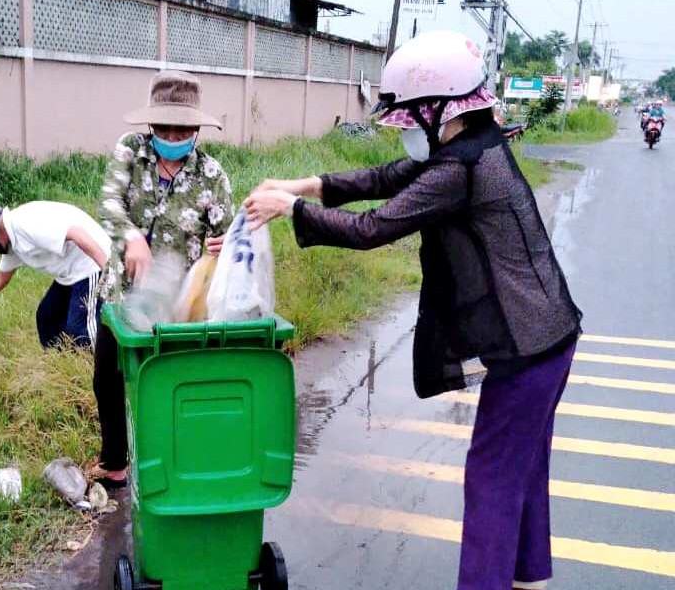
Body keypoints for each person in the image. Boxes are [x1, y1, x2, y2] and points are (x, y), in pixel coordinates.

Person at [245, 30, 582, 590]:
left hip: (528, 347)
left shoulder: (456, 171)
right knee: (523, 468)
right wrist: (300, 184)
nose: (404, 130)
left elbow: (374, 227)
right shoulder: (473, 147)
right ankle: (529, 576)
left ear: (438, 110)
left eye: (409, 116)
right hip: (549, 335)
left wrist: (293, 210)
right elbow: (381, 179)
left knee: (492, 478)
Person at [90, 70, 235, 488]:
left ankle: (171, 461)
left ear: (196, 129)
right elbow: (108, 203)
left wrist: (221, 247)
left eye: (182, 128)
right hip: (121, 290)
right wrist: (132, 235)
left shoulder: (212, 175)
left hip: (178, 303)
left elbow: (226, 235)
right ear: (150, 125)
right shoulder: (130, 151)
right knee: (109, 376)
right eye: (164, 127)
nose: (173, 135)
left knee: (169, 382)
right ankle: (116, 461)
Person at [0, 198, 111, 348]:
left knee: (81, 331)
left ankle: (93, 372)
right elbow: (1, 277)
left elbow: (77, 234)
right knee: (47, 318)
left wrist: (109, 271)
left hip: (91, 264)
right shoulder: (10, 240)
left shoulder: (25, 225)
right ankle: (63, 368)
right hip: (70, 272)